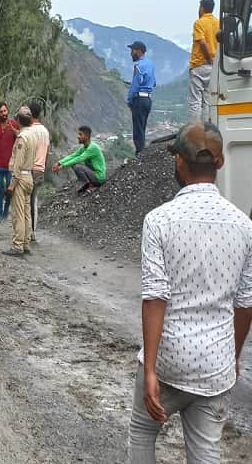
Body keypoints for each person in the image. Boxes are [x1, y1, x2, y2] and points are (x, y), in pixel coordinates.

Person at [127, 120, 252, 463]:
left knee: (142, 432)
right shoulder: (245, 226)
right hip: (215, 364)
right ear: (220, 164)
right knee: (206, 451)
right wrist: (233, 357)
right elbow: (245, 303)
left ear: (179, 161)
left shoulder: (159, 220)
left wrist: (150, 369)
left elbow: (155, 296)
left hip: (168, 360)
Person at [2, 107, 39, 257]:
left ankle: (17, 245)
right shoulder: (33, 135)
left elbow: (18, 163)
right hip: (29, 176)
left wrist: (12, 184)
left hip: (21, 177)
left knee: (18, 214)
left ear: (18, 120)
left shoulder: (22, 138)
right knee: (26, 213)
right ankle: (25, 244)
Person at [188, 0, 220, 121]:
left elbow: (202, 43)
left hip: (199, 65)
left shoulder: (199, 23)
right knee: (206, 100)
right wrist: (212, 62)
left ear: (202, 8)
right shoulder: (218, 23)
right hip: (213, 67)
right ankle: (206, 127)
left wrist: (208, 58)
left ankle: (195, 129)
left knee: (195, 101)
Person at [52, 126, 107, 196]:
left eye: (80, 134)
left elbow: (79, 158)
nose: (78, 137)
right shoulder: (84, 148)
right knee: (75, 164)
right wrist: (59, 163)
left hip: (99, 178)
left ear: (86, 136)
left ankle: (89, 185)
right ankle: (89, 184)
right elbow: (73, 156)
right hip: (94, 175)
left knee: (77, 166)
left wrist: (62, 166)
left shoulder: (92, 148)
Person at [26, 101, 50, 243]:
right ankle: (32, 231)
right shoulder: (45, 131)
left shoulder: (29, 131)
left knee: (26, 202)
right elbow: (46, 153)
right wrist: (43, 166)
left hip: (30, 169)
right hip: (40, 169)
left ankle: (28, 231)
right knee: (34, 200)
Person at [127, 41, 156, 155]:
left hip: (139, 99)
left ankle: (139, 154)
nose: (131, 53)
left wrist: (130, 100)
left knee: (137, 130)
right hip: (148, 100)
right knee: (142, 127)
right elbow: (154, 83)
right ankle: (141, 153)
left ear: (138, 51)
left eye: (132, 50)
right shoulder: (150, 64)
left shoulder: (138, 66)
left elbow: (135, 85)